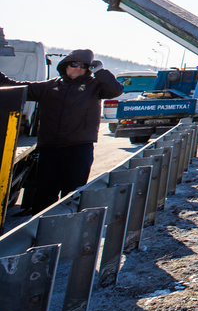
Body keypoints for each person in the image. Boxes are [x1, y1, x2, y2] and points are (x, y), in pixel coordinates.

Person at [0, 48, 123, 214]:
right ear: (66, 65)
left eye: (84, 66)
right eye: (74, 64)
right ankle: (39, 233)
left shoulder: (94, 87)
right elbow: (16, 87)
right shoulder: (50, 86)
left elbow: (115, 90)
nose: (78, 68)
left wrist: (100, 71)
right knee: (44, 195)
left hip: (78, 149)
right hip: (50, 149)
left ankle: (67, 232)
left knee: (72, 195)